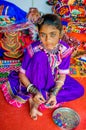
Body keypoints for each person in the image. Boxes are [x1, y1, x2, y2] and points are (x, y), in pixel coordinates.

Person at [1, 14, 84, 120]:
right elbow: (22, 74)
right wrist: (34, 91)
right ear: (38, 34)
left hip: (52, 78)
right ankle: (35, 101)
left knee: (79, 90)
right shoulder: (33, 49)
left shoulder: (64, 49)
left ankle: (43, 97)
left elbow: (62, 75)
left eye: (52, 34)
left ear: (61, 33)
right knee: (40, 56)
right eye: (43, 35)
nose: (48, 40)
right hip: (34, 78)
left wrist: (54, 93)